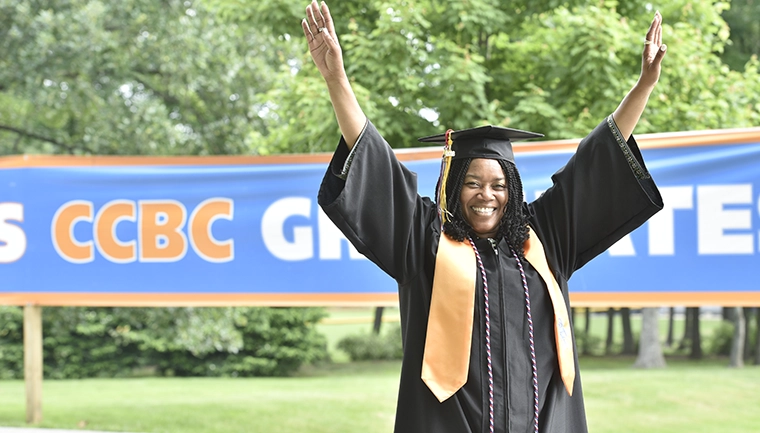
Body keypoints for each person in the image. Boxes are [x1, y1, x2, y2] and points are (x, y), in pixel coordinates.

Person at [303, 1, 666, 432]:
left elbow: (594, 165)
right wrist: (337, 81)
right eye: (473, 183)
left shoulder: (545, 236)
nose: (486, 195)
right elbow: (378, 168)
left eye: (498, 185)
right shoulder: (423, 239)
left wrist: (643, 85)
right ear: (454, 188)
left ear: (512, 189)